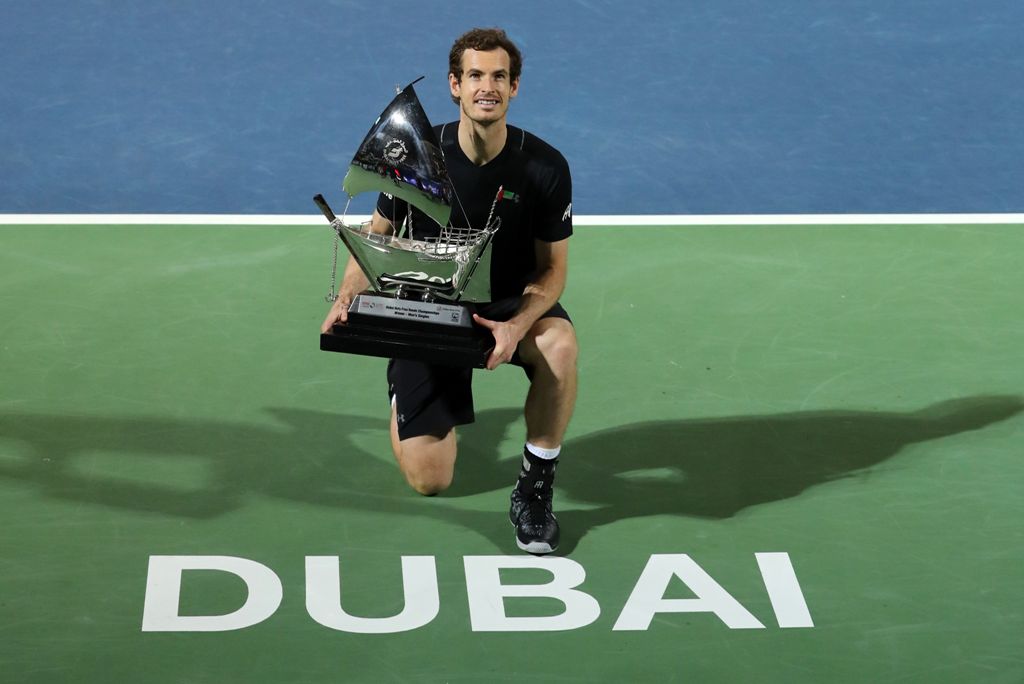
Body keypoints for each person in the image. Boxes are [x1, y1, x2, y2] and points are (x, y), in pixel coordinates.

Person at [321, 27, 576, 554]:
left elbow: (552, 272)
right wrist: (348, 299)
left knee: (560, 344)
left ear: (515, 87)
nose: (488, 86)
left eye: (499, 77)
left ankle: (534, 489)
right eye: (475, 75)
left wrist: (515, 325)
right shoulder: (418, 154)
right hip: (428, 307)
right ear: (454, 86)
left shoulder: (545, 167)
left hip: (505, 304)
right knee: (430, 480)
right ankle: (406, 393)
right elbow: (375, 236)